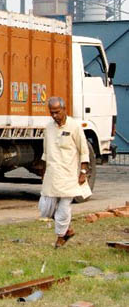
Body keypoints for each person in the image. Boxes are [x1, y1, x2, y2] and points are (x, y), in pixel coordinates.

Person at [38, 97, 91, 248]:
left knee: (63, 209)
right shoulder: (48, 128)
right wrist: (43, 171)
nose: (54, 116)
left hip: (69, 174)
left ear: (64, 109)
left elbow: (84, 151)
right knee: (44, 208)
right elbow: (46, 152)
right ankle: (67, 230)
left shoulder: (74, 126)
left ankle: (61, 237)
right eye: (51, 113)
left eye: (57, 112)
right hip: (53, 174)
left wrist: (83, 171)